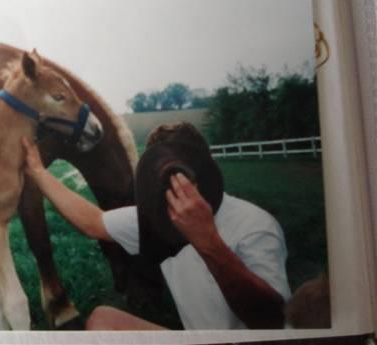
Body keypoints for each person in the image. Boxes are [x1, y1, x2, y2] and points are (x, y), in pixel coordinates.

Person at [21, 122, 291, 330]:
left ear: (205, 170)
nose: (176, 187)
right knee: (103, 320)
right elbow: (93, 223)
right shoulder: (158, 219)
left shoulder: (255, 226)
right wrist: (37, 171)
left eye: (183, 173)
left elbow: (272, 322)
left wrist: (206, 239)